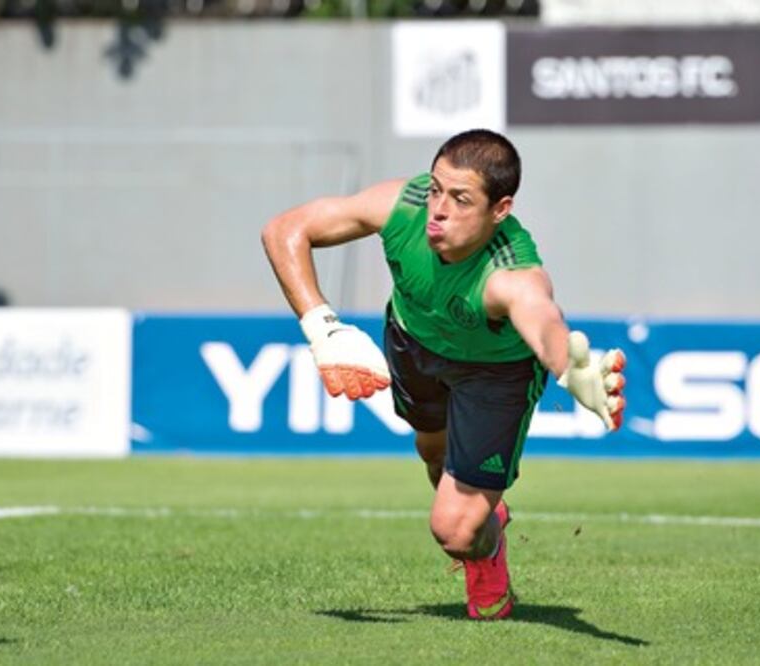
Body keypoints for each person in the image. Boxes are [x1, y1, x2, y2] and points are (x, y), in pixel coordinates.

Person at [261, 129, 626, 621]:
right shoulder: (403, 205)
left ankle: (485, 547)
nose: (438, 209)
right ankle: (480, 513)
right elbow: (284, 230)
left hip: (495, 375)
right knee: (432, 452)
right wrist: (322, 328)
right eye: (436, 189)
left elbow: (540, 316)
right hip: (414, 343)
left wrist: (568, 367)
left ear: (500, 210)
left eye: (460, 199)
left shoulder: (508, 272)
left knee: (454, 532)